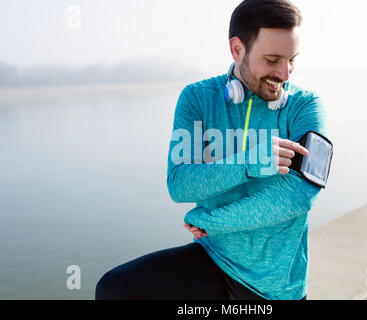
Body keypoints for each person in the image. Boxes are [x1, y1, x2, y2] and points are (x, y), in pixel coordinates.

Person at [95, 0, 328, 300]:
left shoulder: (306, 106)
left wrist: (211, 221)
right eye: (272, 60)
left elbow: (297, 197)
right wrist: (252, 161)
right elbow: (180, 184)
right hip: (213, 259)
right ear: (237, 49)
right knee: (115, 289)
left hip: (273, 287)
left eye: (292, 59)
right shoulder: (197, 99)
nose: (285, 74)